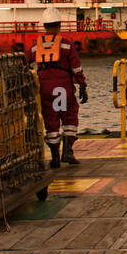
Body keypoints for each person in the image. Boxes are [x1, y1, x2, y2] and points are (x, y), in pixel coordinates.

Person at [33, 18, 87, 166]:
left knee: (51, 122)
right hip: (61, 89)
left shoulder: (36, 46)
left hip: (44, 89)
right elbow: (76, 68)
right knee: (68, 118)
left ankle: (54, 156)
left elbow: (23, 60)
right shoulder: (66, 45)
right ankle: (68, 152)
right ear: (59, 26)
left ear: (44, 25)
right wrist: (82, 85)